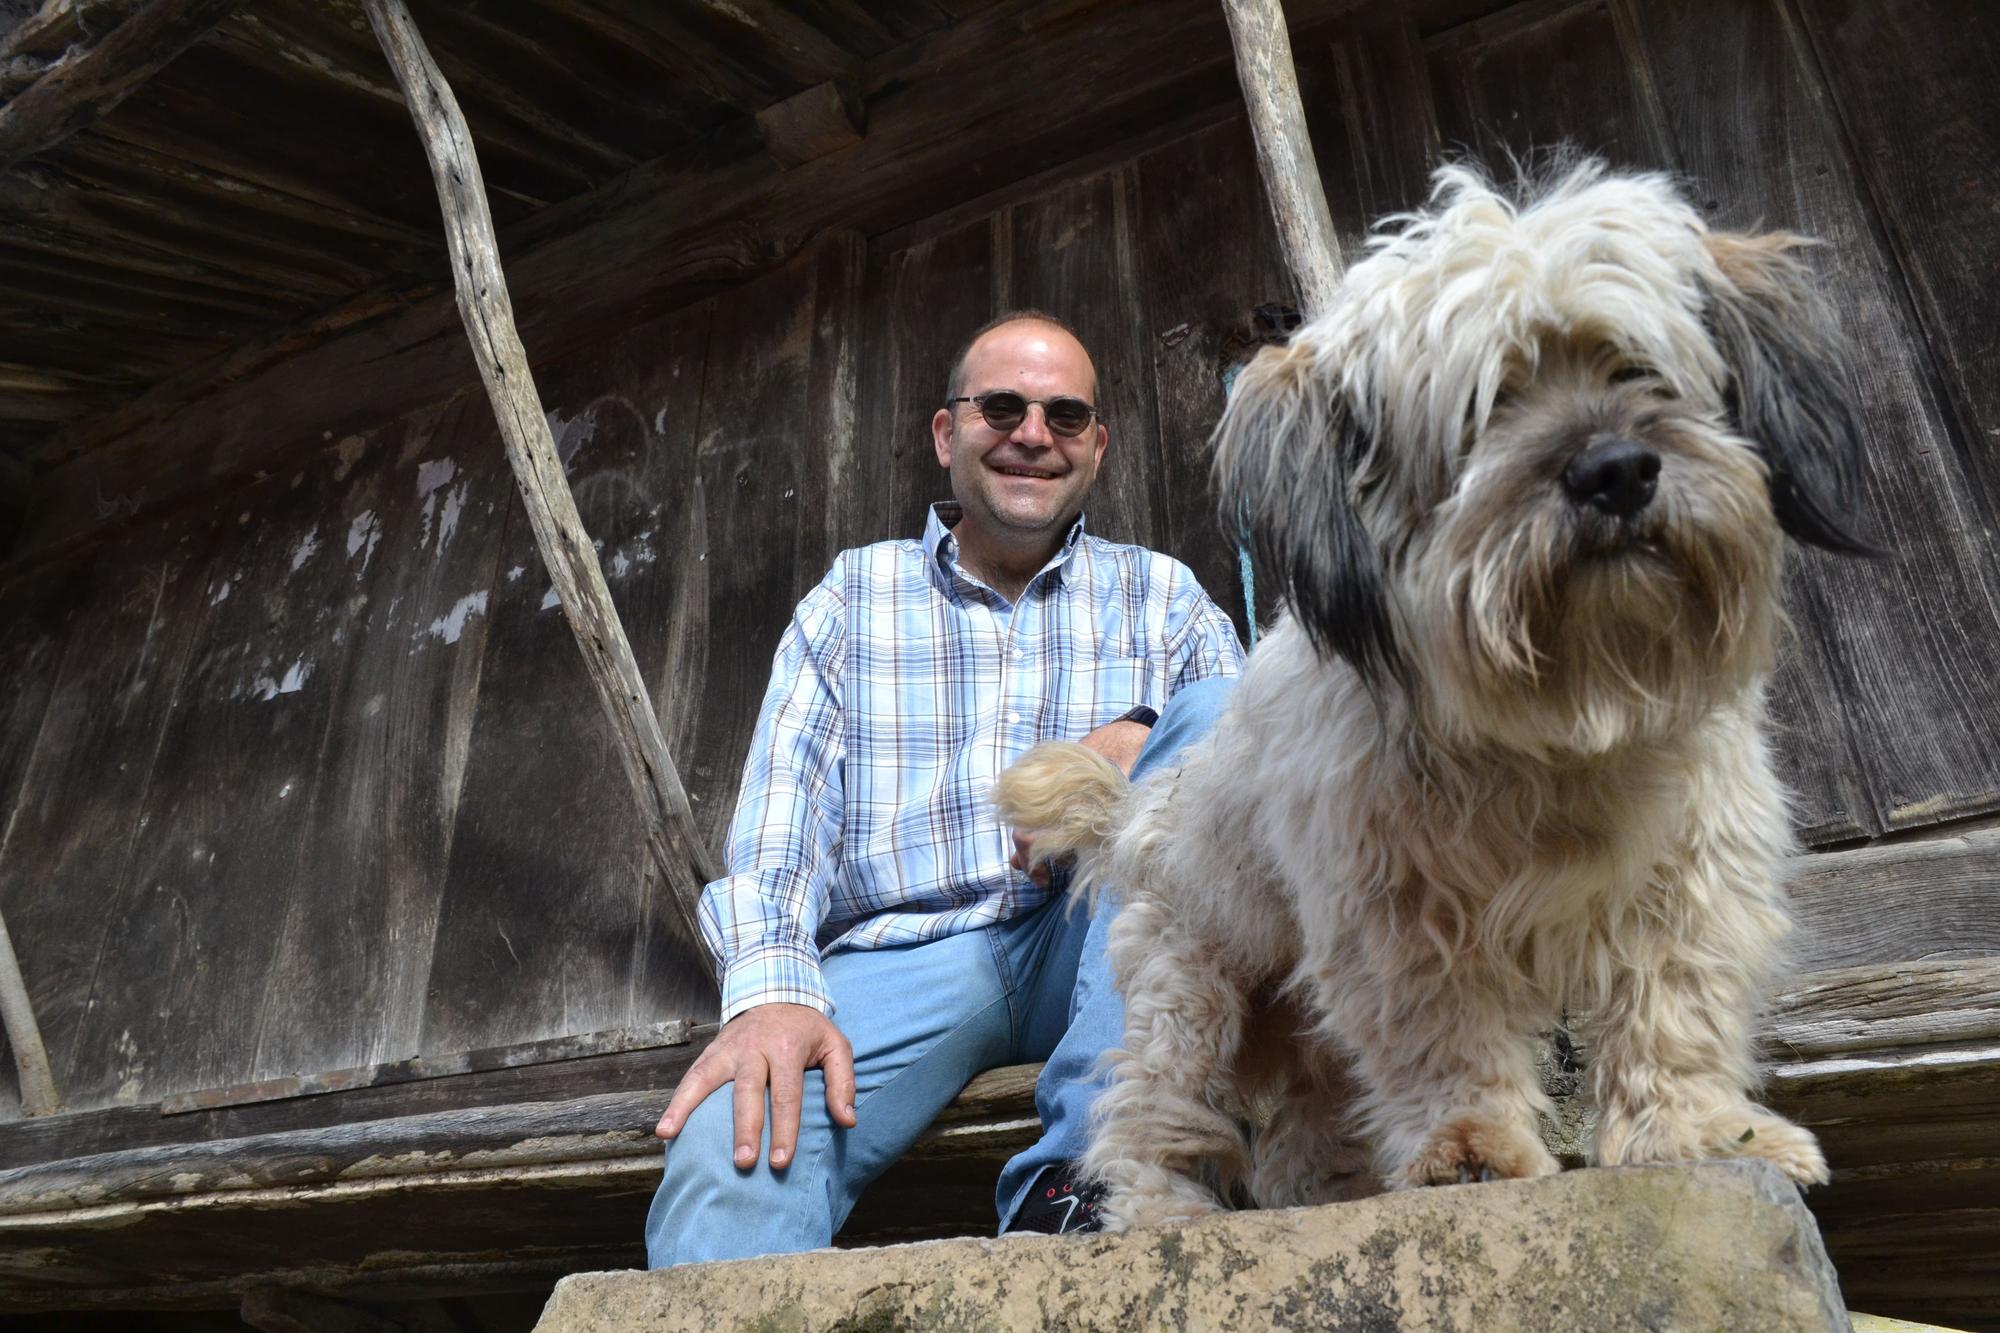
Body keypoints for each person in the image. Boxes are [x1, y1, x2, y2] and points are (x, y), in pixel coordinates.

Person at [646, 311, 1243, 1265]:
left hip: (1100, 943)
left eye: (1064, 413)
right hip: (902, 960)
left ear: (1098, 443)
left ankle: (1086, 1173)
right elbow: (780, 822)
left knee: (1218, 712)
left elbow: (1256, 783)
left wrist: (1141, 734)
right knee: (739, 1139)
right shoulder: (853, 597)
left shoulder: (1162, 596)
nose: (1032, 433)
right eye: (1000, 406)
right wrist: (770, 994)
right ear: (945, 433)